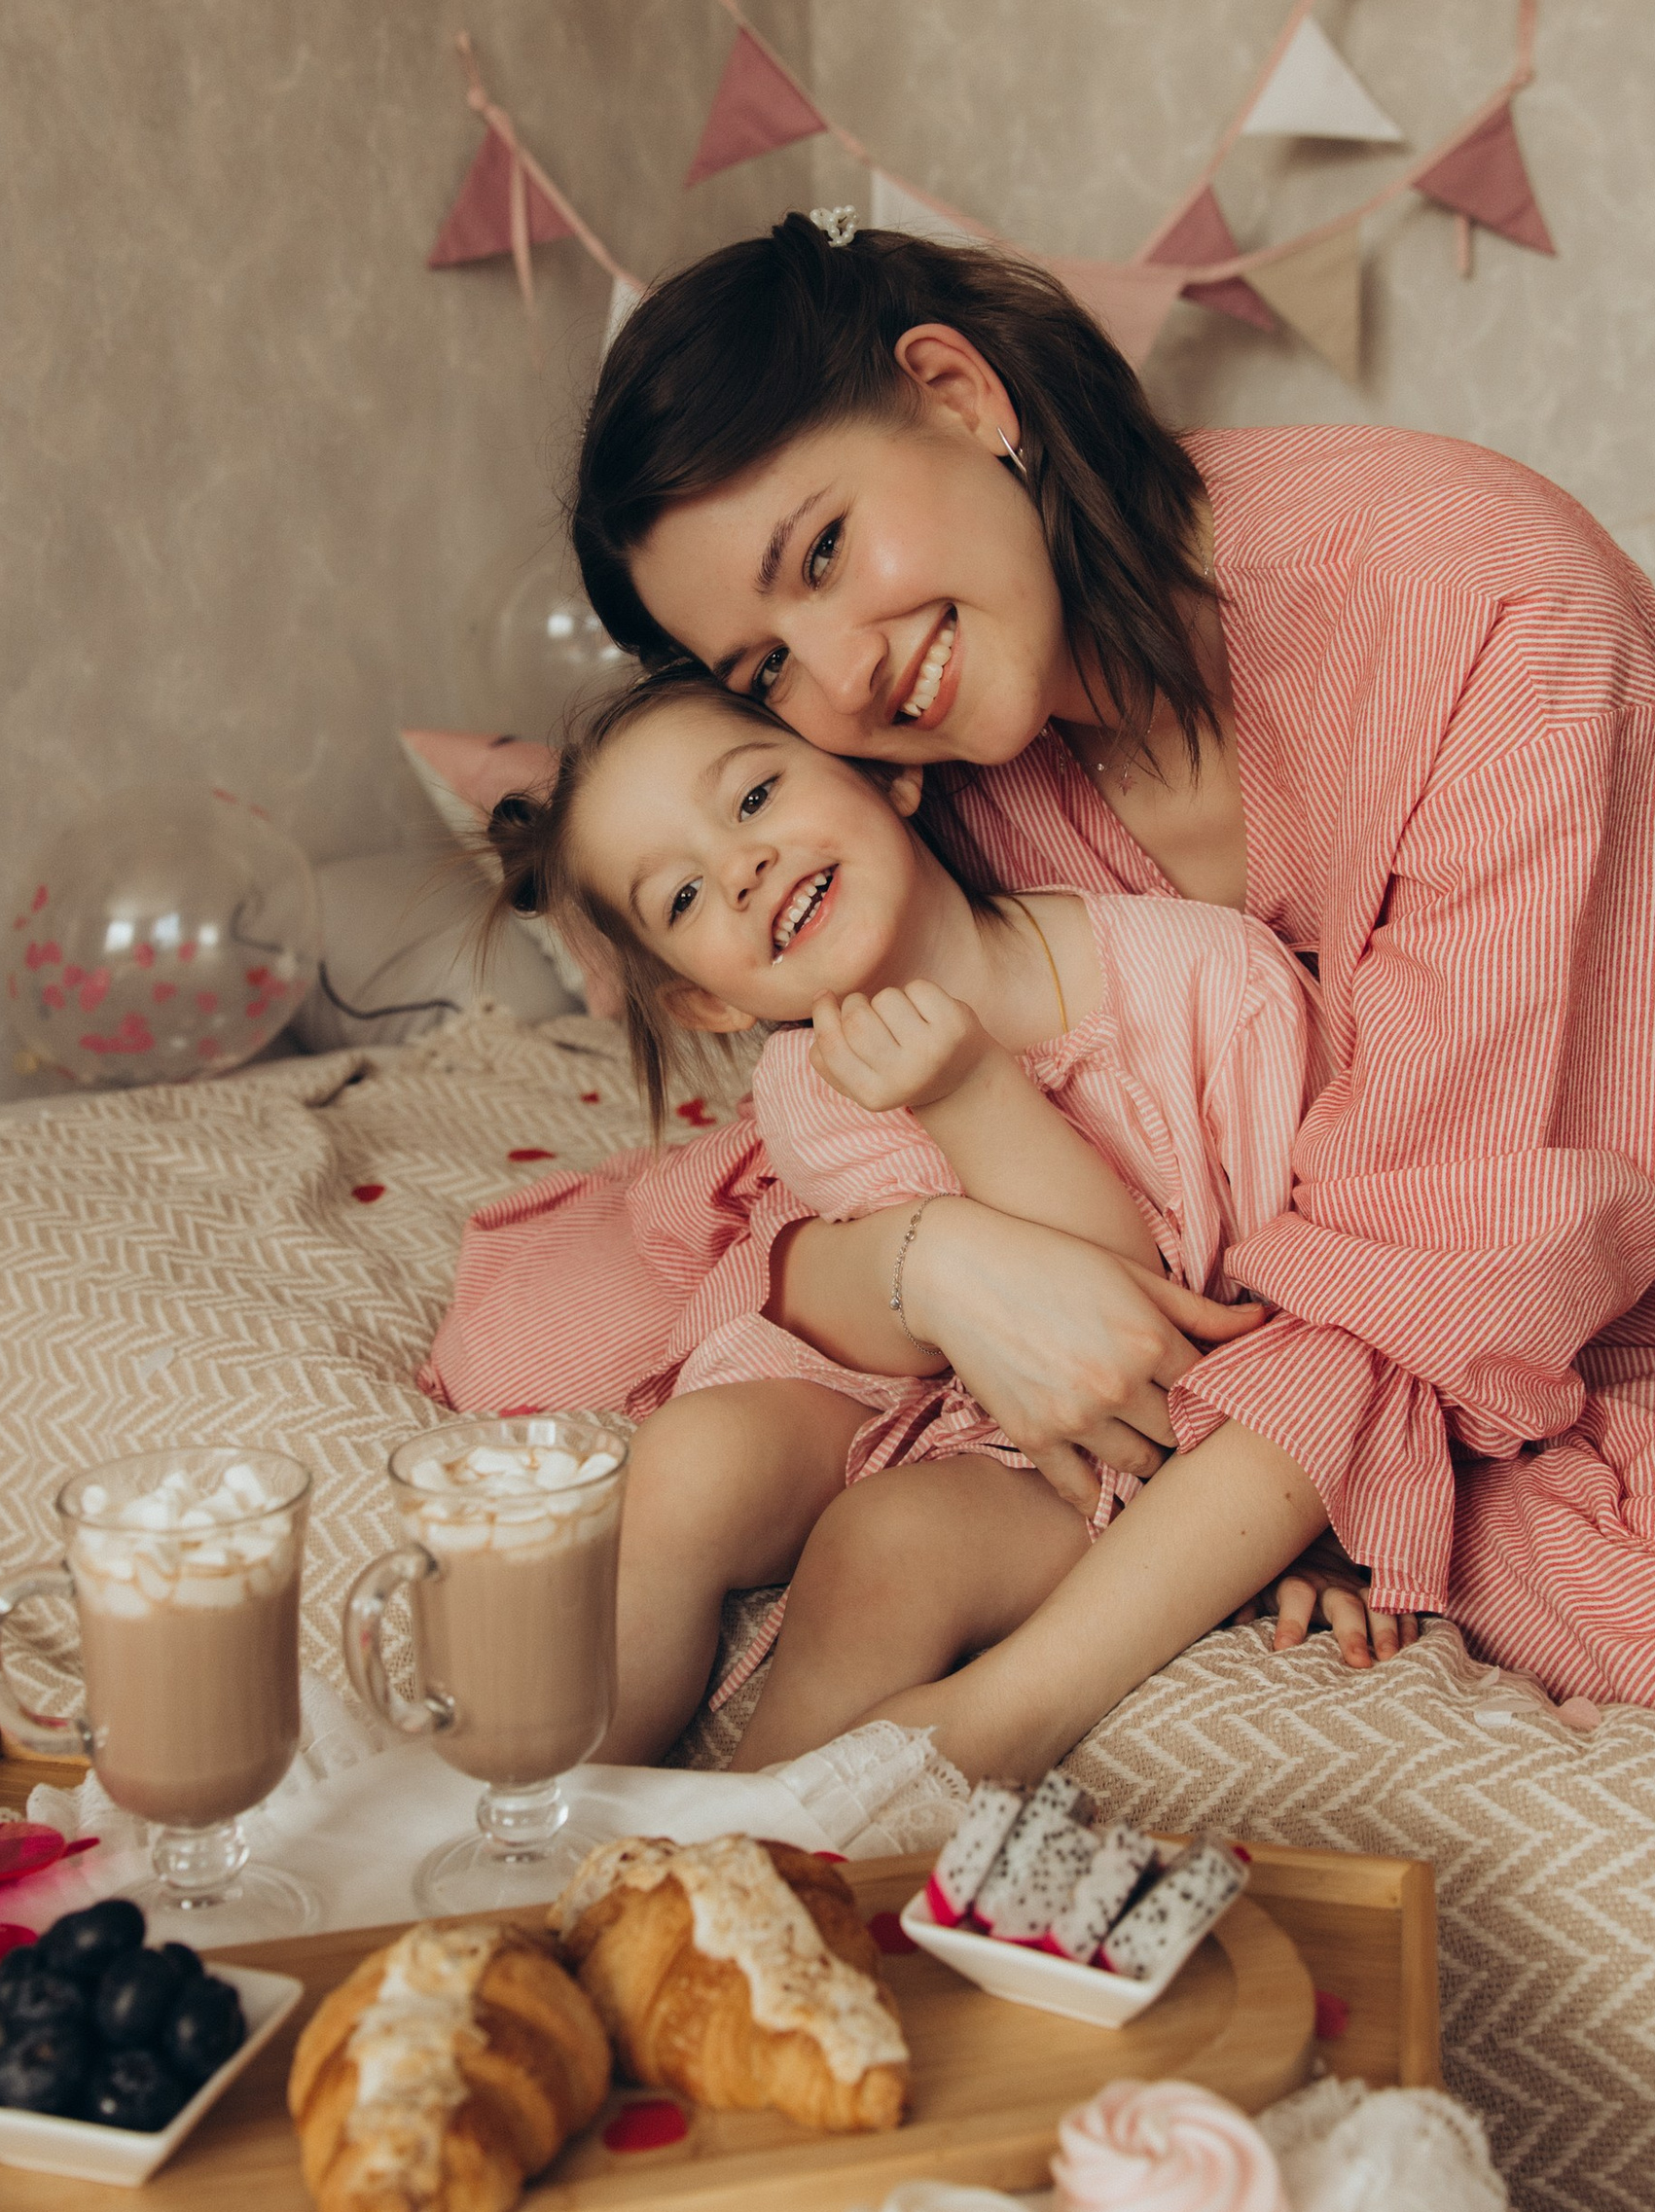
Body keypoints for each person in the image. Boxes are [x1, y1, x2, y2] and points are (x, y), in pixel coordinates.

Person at [429, 216, 1655, 1762]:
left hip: (1484, 1261)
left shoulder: (1500, 617)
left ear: (962, 395)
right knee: (551, 1362)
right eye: (768, 670)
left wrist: (1009, 1707)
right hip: (1097, 1254)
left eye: (826, 553)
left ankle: (1237, 1507)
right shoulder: (911, 745)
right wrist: (937, 1265)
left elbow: (1431, 1275)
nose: (843, 681)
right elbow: (865, 1114)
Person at [477, 655, 1361, 1773]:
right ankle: (551, 1805)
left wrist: (974, 1095)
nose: (741, 869)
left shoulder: (1204, 977)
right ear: (708, 999)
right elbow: (943, 1328)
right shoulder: (806, 1082)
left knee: (883, 1545)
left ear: (884, 777)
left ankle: (750, 1836)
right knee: (687, 1461)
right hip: (947, 1390)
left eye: (753, 798)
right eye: (685, 898)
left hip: (1148, 1428)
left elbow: (1107, 1332)